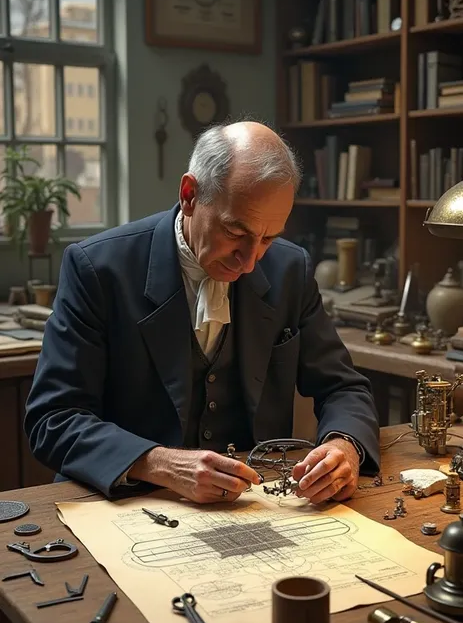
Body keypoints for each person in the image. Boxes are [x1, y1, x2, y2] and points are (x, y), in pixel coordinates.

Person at [24, 120, 380, 504]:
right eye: (235, 232)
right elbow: (53, 419)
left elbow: (343, 387)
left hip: (254, 510)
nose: (249, 262)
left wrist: (345, 446)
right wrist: (159, 463)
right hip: (125, 505)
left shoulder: (290, 270)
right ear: (190, 194)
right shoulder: (96, 269)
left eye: (268, 238)